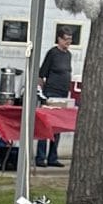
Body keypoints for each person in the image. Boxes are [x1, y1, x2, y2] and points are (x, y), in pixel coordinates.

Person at [34, 27, 77, 169]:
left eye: (70, 40)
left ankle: (53, 156)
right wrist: (42, 93)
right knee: (46, 124)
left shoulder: (68, 55)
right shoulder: (52, 53)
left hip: (63, 93)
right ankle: (40, 157)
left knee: (57, 127)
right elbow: (42, 74)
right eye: (66, 39)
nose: (68, 42)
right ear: (59, 39)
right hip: (51, 92)